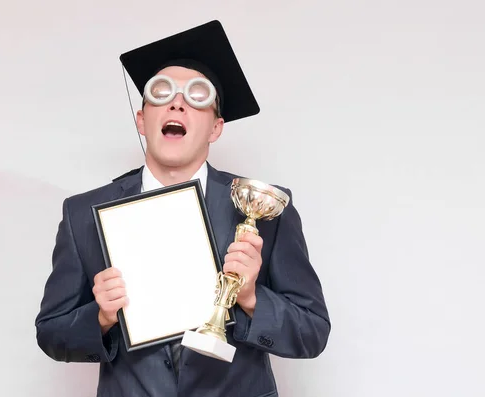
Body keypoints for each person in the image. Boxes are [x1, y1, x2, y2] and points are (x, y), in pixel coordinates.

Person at [35, 20, 330, 397]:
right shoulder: (84, 213)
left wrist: (252, 297)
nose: (177, 103)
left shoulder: (264, 208)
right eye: (162, 94)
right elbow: (51, 333)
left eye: (196, 97)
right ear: (142, 120)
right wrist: (101, 317)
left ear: (216, 128)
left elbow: (313, 332)